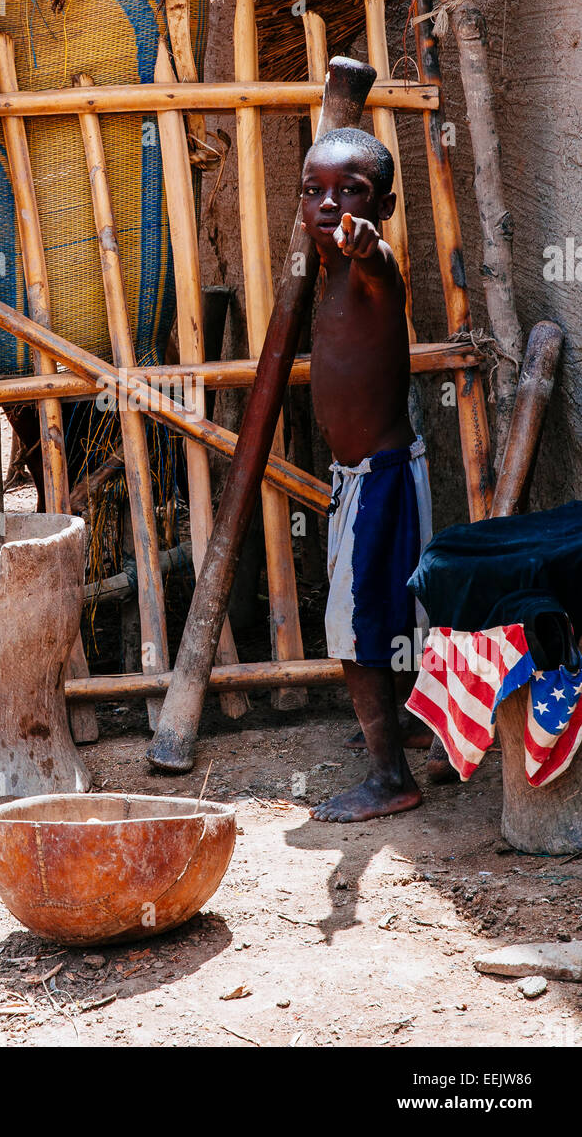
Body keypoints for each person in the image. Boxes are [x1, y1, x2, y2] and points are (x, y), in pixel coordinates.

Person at [300, 127, 432, 822]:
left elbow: (380, 264)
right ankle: (406, 725)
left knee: (355, 631)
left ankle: (390, 778)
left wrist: (367, 248)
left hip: (379, 480)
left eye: (348, 191)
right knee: (383, 613)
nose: (328, 204)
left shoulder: (370, 274)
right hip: (360, 478)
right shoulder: (328, 276)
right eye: (313, 191)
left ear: (380, 204)